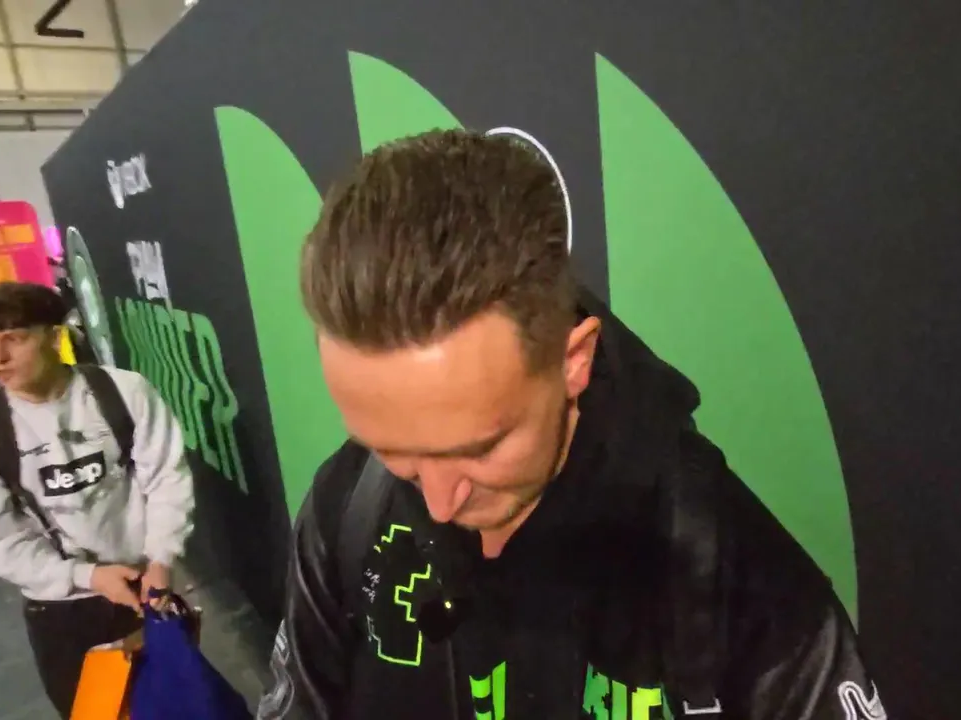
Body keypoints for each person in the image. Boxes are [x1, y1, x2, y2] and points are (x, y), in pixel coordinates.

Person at [257, 130, 883, 720]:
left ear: (573, 361)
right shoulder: (348, 507)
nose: (441, 504)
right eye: (395, 453)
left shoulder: (726, 571)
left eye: (481, 448)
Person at [0, 281, 196, 718]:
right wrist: (87, 576)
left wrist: (162, 558)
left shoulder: (123, 392)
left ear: (54, 336)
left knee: (179, 707)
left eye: (14, 339)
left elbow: (167, 476)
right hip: (62, 608)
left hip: (146, 587)